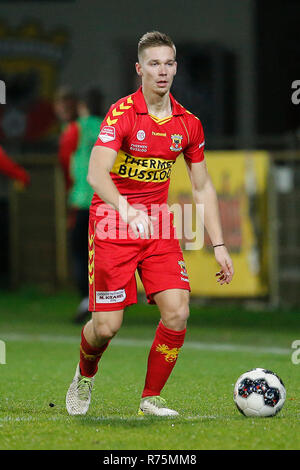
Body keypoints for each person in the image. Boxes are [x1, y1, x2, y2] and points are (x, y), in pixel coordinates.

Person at [66, 31, 234, 417]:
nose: (163, 71)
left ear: (176, 68)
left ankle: (151, 398)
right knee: (106, 327)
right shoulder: (122, 115)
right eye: (154, 63)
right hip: (112, 223)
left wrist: (219, 244)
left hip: (157, 227)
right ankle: (85, 373)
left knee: (177, 310)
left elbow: (202, 186)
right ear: (139, 69)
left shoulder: (188, 124)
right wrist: (126, 211)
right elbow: (96, 173)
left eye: (169, 63)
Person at [57, 87, 105, 323]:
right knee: (106, 252)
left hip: (82, 199)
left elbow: (65, 159)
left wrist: (70, 188)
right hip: (108, 200)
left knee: (80, 252)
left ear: (82, 107)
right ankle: (112, 298)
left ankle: (87, 299)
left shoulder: (75, 129)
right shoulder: (111, 127)